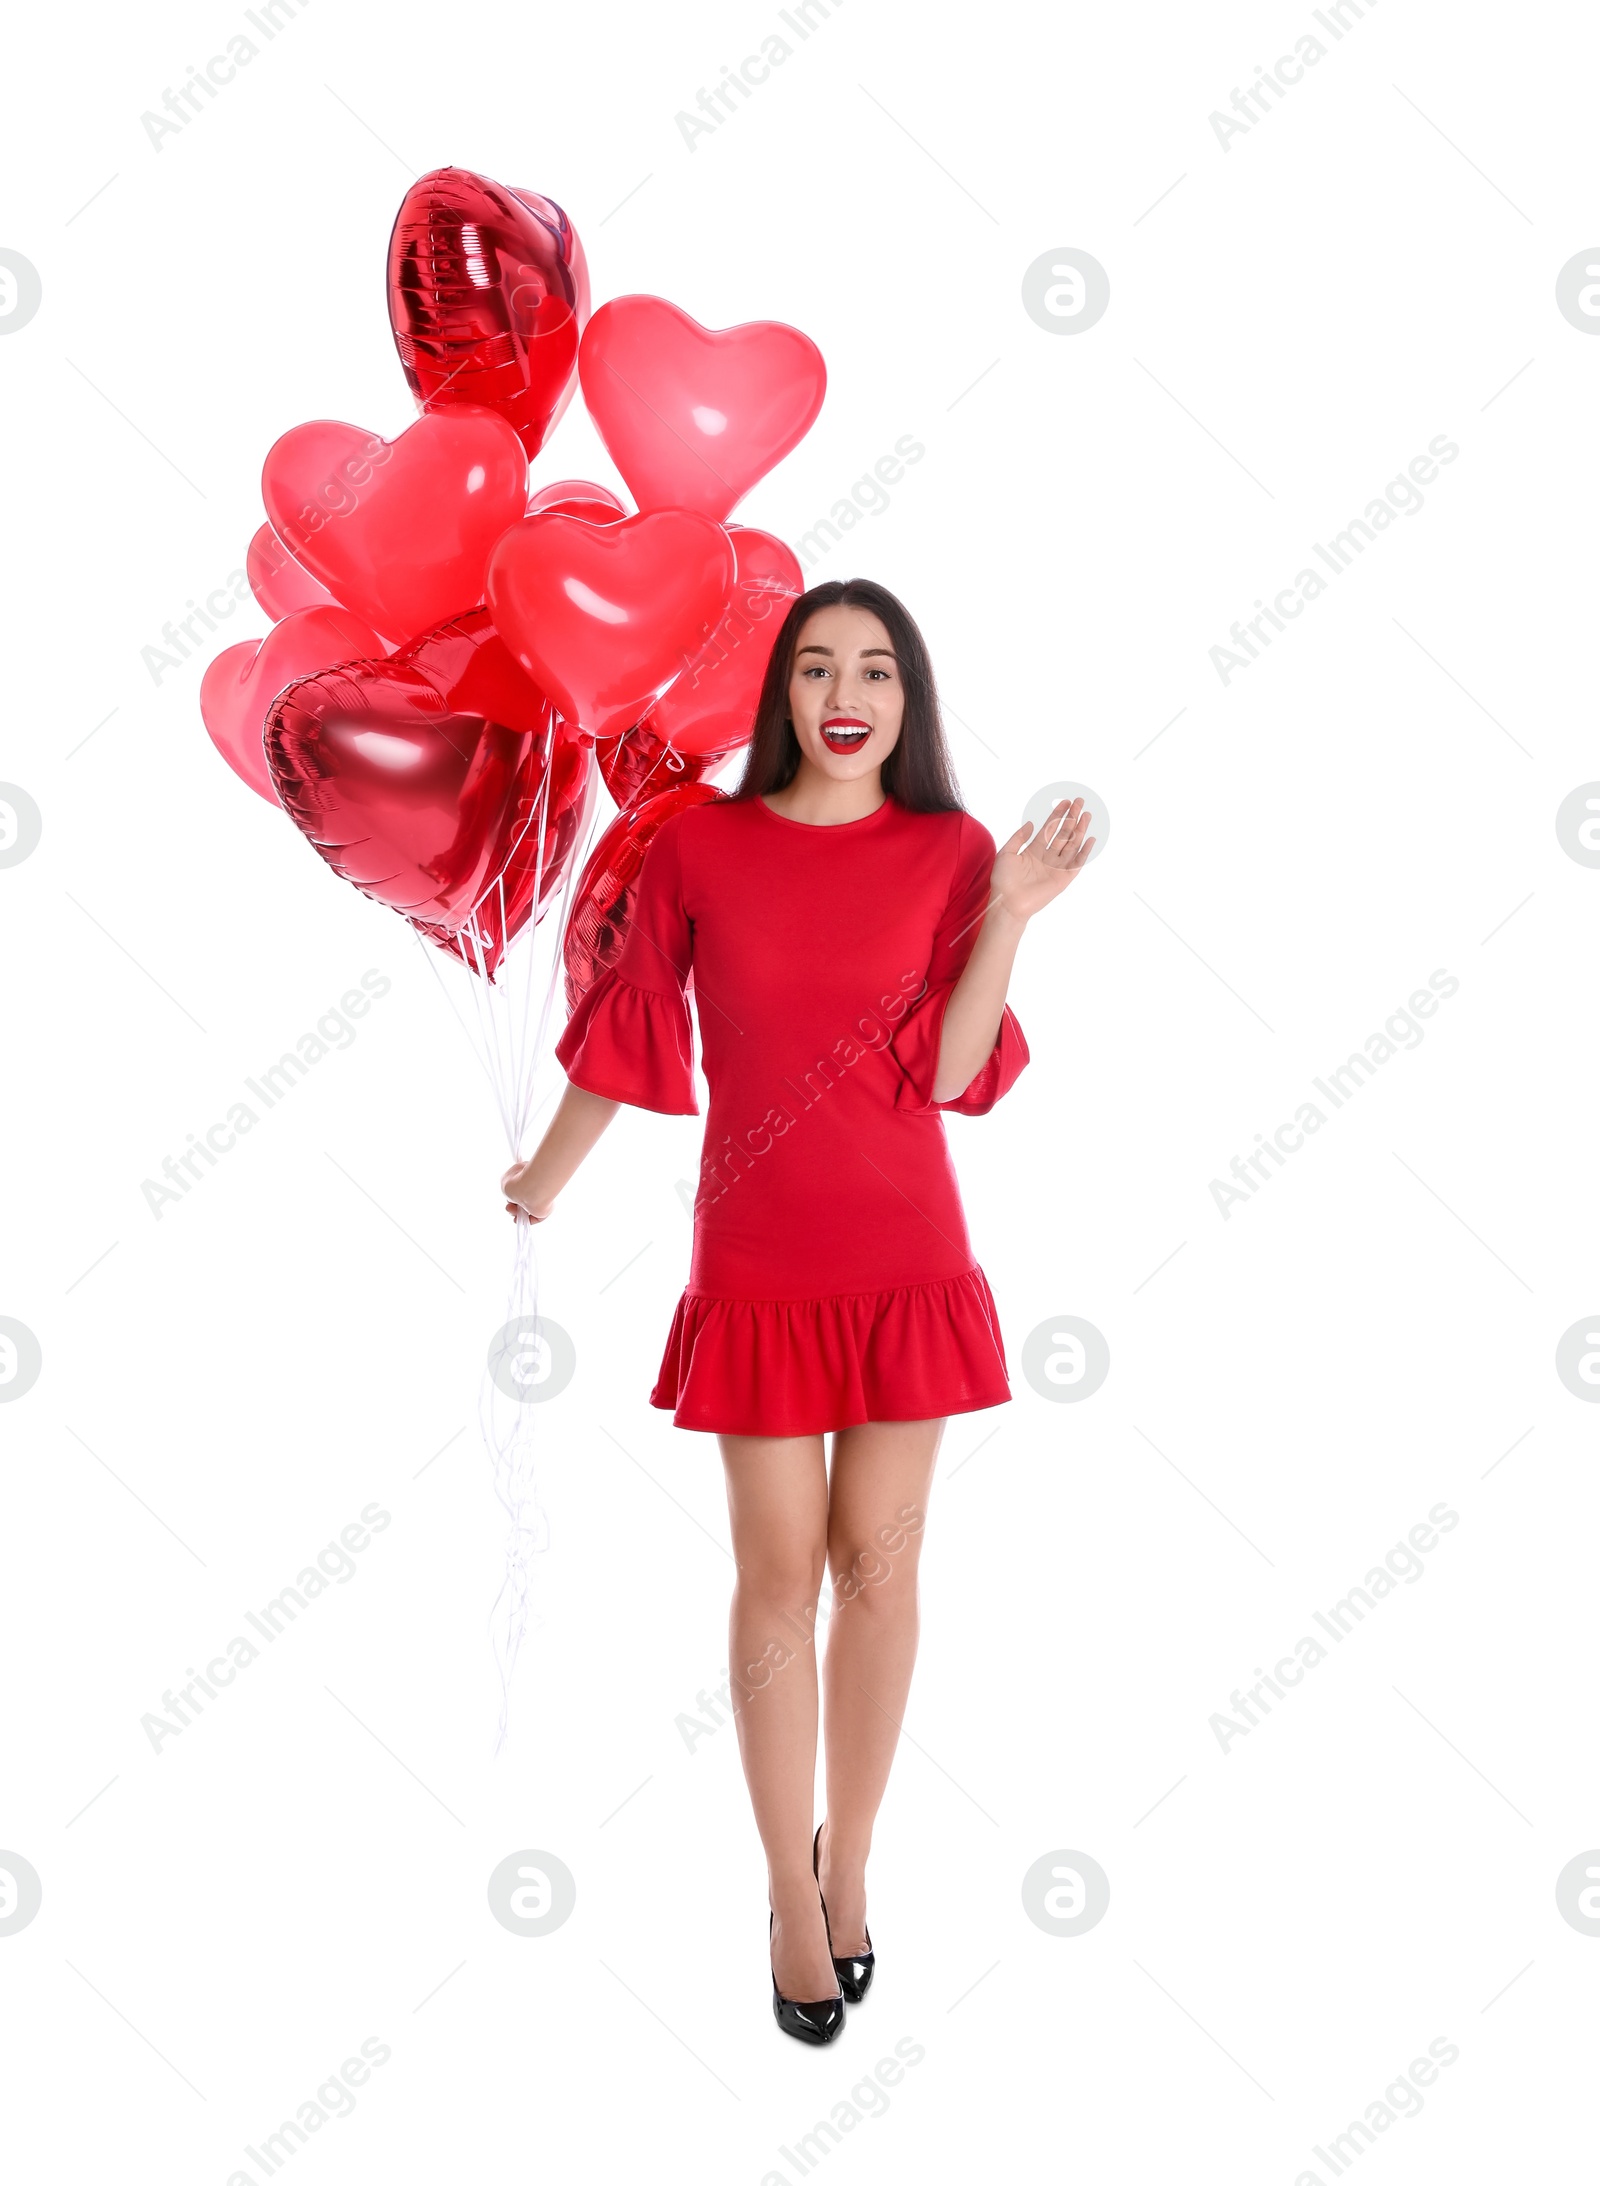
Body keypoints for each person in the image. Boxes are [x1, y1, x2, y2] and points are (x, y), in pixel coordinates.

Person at [500, 577, 1094, 2043]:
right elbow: (631, 1023)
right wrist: (546, 1176)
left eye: (878, 669)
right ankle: (782, 1887)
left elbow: (957, 1073)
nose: (849, 689)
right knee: (778, 1581)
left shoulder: (954, 850)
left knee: (880, 1579)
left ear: (909, 701)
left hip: (906, 1262)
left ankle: (855, 1864)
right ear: (782, 697)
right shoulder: (704, 845)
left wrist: (1010, 912)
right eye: (819, 663)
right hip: (758, 1266)